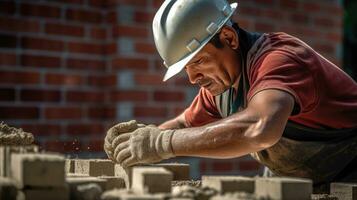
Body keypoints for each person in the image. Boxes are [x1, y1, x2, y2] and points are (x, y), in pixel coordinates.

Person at [104, 0, 357, 191]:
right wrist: (141, 137)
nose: (193, 79)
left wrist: (160, 144)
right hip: (295, 185)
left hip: (349, 178)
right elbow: (183, 125)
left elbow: (259, 128)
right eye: (186, 69)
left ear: (228, 38)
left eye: (199, 61)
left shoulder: (279, 60)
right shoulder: (220, 85)